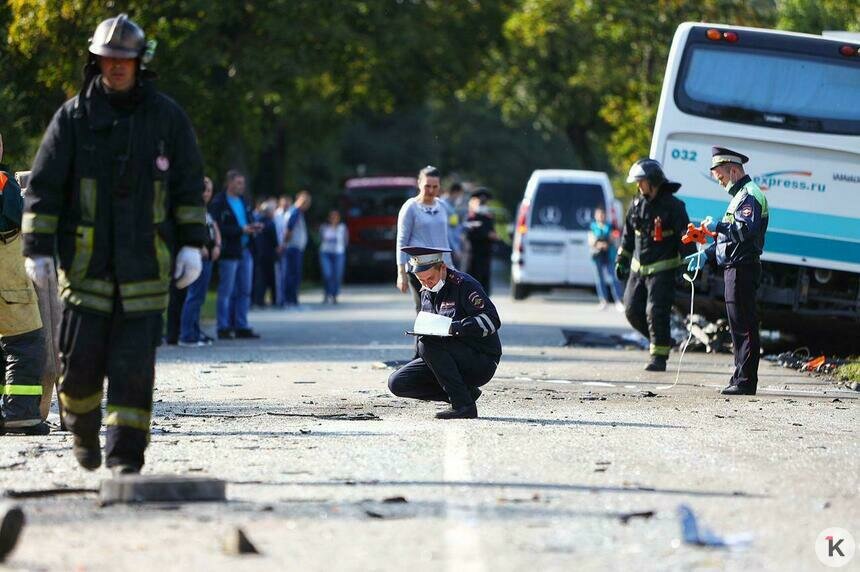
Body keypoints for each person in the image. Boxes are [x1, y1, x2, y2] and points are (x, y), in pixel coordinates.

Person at [21, 14, 207, 473]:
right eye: (109, 59)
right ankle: (82, 426)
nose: (117, 67)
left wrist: (192, 245)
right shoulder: (73, 119)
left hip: (147, 268)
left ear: (139, 62)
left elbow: (187, 187)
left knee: (134, 371)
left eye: (125, 59)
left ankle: (126, 456)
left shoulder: (167, 118)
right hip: (86, 271)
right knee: (79, 367)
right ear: (96, 61)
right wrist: (38, 250)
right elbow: (44, 189)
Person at [685, 147, 769, 396]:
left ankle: (745, 381)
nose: (720, 182)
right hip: (735, 267)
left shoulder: (750, 195)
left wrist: (718, 225)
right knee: (737, 325)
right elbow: (727, 240)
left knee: (744, 324)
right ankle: (739, 376)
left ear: (733, 170)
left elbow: (743, 232)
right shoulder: (740, 197)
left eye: (721, 177)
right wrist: (705, 255)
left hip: (743, 267)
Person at [388, 247, 501, 419]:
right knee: (398, 383)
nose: (427, 284)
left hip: (481, 359)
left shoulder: (464, 285)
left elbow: (492, 321)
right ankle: (466, 394)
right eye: (421, 280)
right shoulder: (427, 291)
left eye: (430, 278)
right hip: (448, 358)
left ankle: (463, 405)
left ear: (443, 268)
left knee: (427, 342)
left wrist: (453, 328)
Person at [615, 158, 694, 372]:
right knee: (631, 309)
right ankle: (662, 340)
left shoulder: (674, 207)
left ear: (653, 181)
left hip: (662, 270)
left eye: (641, 182)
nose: (638, 186)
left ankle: (658, 358)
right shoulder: (636, 204)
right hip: (638, 270)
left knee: (655, 312)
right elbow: (628, 235)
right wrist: (621, 260)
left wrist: (689, 265)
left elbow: (685, 238)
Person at [0, 135, 49, 435]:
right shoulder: (3, 184)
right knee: (26, 344)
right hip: (8, 281)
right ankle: (21, 413)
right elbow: (19, 220)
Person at [210, 169, 262, 339]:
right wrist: (240, 230)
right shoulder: (219, 202)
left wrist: (254, 227)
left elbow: (247, 220)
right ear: (229, 183)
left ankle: (241, 324)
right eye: (239, 183)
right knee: (227, 290)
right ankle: (223, 326)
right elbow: (216, 227)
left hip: (245, 250)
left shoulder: (243, 201)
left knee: (245, 290)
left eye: (243, 183)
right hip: (229, 251)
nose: (242, 186)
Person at [395, 166, 454, 312]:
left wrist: (450, 265)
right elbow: (401, 241)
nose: (431, 190)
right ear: (419, 183)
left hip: (440, 266)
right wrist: (401, 272)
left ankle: (439, 336)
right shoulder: (411, 207)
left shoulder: (442, 206)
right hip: (419, 268)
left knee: (443, 309)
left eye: (435, 186)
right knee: (424, 308)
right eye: (427, 186)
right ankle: (423, 336)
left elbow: (445, 237)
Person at [179, 176, 220, 347]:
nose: (207, 193)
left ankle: (195, 331)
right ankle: (187, 335)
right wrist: (199, 245)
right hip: (198, 256)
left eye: (210, 190)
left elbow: (213, 228)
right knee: (194, 296)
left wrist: (217, 244)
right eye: (204, 189)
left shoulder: (206, 210)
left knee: (200, 297)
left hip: (209, 256)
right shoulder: (194, 208)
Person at [588, 207, 625, 311]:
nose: (600, 216)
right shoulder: (593, 226)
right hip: (597, 255)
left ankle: (618, 300)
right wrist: (598, 244)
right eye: (598, 214)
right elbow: (591, 240)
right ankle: (603, 300)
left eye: (602, 214)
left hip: (609, 254)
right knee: (600, 279)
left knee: (614, 278)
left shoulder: (610, 226)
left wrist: (607, 242)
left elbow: (615, 237)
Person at [462, 188, 496, 295]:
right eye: (480, 201)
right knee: (472, 284)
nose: (482, 204)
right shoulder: (471, 217)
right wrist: (486, 234)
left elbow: (493, 232)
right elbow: (469, 234)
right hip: (473, 255)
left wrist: (493, 236)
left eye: (484, 201)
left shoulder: (489, 217)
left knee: (484, 284)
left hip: (486, 255)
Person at [283, 190, 311, 308]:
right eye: (306, 202)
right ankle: (291, 300)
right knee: (293, 274)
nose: (307, 205)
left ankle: (292, 300)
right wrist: (285, 243)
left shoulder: (296, 212)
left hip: (295, 247)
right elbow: (289, 229)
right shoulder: (295, 212)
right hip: (293, 247)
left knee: (293, 274)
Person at [251, 199, 279, 307]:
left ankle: (259, 299)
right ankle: (274, 300)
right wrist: (277, 248)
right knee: (270, 278)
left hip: (259, 253)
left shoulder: (257, 221)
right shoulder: (270, 223)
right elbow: (274, 240)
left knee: (260, 278)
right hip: (269, 254)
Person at [319, 209, 348, 304]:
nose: (334, 219)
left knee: (337, 275)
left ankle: (334, 295)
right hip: (326, 253)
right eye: (332, 217)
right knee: (327, 274)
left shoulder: (342, 228)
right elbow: (321, 239)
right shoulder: (324, 227)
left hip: (338, 253)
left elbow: (345, 241)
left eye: (335, 217)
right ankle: (327, 293)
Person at [439, 181, 464, 268]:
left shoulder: (451, 205)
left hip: (452, 247)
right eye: (460, 194)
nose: (460, 197)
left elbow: (454, 225)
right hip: (449, 249)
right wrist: (455, 249)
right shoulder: (444, 206)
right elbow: (447, 231)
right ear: (455, 192)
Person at [274, 195, 292, 307]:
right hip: (277, 247)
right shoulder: (276, 215)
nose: (286, 204)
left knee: (285, 274)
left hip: (286, 247)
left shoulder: (289, 214)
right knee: (278, 275)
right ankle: (279, 299)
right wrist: (278, 245)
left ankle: (284, 298)